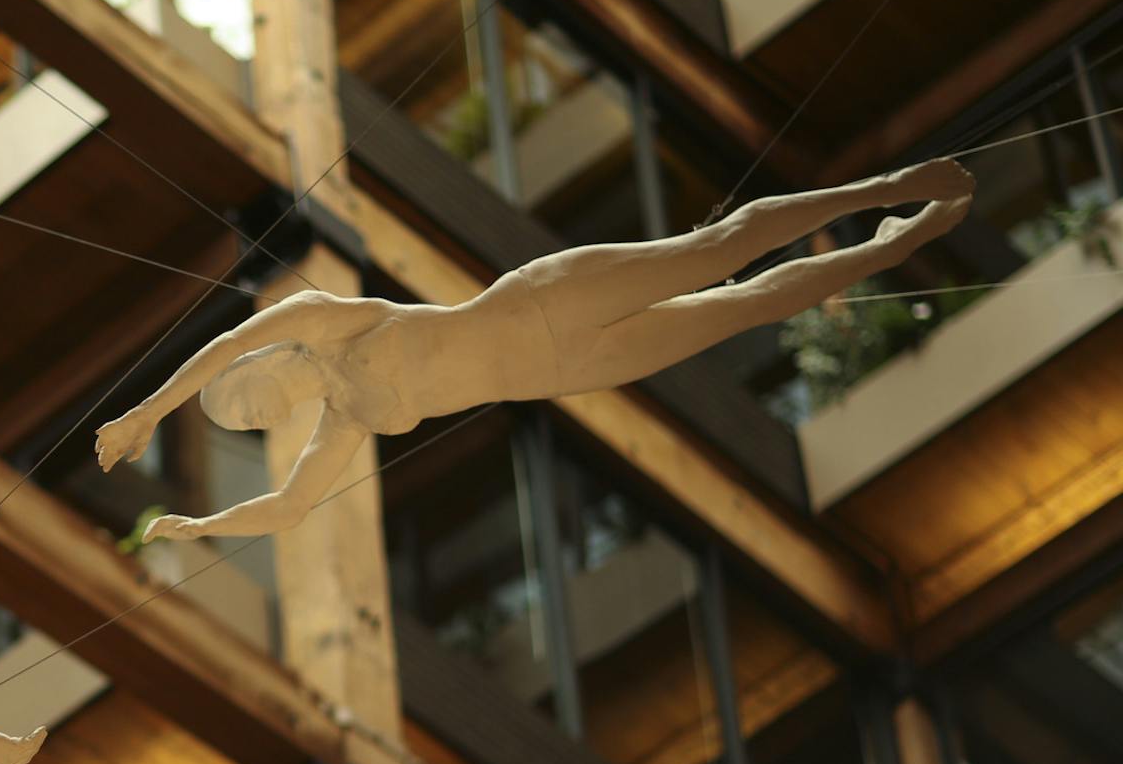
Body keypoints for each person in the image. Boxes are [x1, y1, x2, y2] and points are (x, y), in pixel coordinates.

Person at [97, 160, 975, 541]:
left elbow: (233, 333)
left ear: (256, 369)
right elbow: (290, 509)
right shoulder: (347, 419)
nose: (264, 414)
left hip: (540, 301)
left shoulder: (329, 320)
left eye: (247, 399)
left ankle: (887, 187)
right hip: (562, 370)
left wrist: (147, 412)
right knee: (743, 308)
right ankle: (894, 243)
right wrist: (201, 525)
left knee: (716, 250)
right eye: (254, 423)